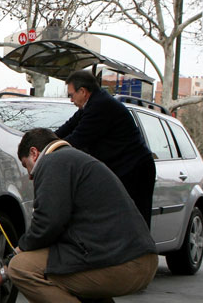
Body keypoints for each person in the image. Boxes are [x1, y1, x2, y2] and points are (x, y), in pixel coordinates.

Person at [0, 128, 158, 303]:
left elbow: (48, 225)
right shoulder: (78, 161)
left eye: (26, 165)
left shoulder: (53, 163)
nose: (29, 175)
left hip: (122, 266)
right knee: (63, 260)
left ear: (35, 153)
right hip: (139, 260)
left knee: (23, 269)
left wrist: (12, 260)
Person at [55, 70, 156, 227]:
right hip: (123, 168)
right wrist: (45, 140)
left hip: (135, 170)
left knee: (135, 220)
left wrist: (50, 151)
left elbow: (76, 139)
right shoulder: (91, 104)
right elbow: (67, 127)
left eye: (71, 95)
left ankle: (141, 251)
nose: (71, 100)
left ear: (83, 91)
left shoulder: (100, 106)